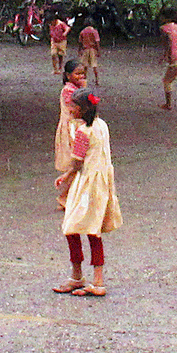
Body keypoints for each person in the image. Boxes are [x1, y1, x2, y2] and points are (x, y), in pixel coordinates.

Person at [54, 89, 122, 296]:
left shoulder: (83, 131)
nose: (70, 109)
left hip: (87, 183)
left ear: (82, 109)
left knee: (71, 227)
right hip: (102, 181)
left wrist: (65, 177)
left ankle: (77, 276)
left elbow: (77, 162)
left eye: (73, 106)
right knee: (94, 230)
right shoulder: (102, 125)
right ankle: (97, 280)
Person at [54, 61, 88, 208]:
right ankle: (65, 197)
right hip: (71, 129)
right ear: (68, 76)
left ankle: (70, 197)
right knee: (75, 163)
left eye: (83, 73)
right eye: (77, 73)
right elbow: (79, 106)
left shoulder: (77, 88)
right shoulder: (69, 90)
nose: (81, 76)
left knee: (79, 164)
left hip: (77, 127)